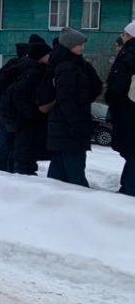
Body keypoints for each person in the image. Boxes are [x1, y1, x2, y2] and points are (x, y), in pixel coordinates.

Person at [45, 28, 102, 187]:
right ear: (70, 46)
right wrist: (76, 121)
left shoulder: (71, 64)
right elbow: (66, 98)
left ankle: (49, 199)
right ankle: (79, 203)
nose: (82, 48)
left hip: (62, 125)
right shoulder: (68, 67)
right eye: (79, 45)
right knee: (74, 169)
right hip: (69, 126)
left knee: (59, 168)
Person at [1, 39, 52, 175]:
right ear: (41, 56)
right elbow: (19, 94)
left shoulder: (28, 68)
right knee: (24, 157)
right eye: (48, 55)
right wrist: (32, 113)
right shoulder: (34, 72)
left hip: (23, 121)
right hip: (27, 122)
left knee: (21, 154)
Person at [0, 40, 33, 172]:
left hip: (4, 115)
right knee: (6, 144)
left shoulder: (9, 69)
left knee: (8, 145)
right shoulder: (15, 69)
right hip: (7, 116)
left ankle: (3, 169)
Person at [105, 21, 135, 196]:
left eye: (124, 34)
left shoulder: (129, 55)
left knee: (131, 151)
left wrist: (112, 100)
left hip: (128, 110)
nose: (122, 37)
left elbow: (118, 85)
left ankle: (129, 189)